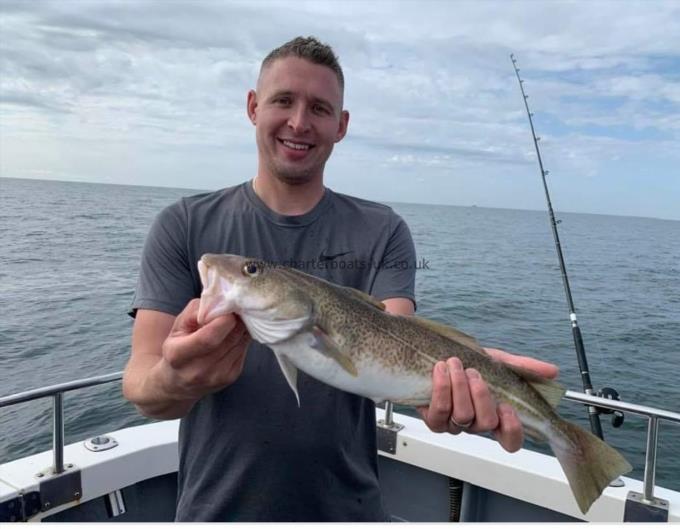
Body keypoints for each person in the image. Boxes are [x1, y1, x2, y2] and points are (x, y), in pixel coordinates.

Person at [123, 36, 558, 522]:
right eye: (283, 100)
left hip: (351, 509)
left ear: (342, 125)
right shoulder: (182, 224)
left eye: (320, 108)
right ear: (252, 106)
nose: (299, 122)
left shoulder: (383, 229)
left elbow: (397, 340)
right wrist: (175, 379)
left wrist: (462, 379)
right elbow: (141, 385)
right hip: (216, 509)